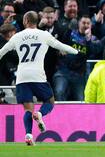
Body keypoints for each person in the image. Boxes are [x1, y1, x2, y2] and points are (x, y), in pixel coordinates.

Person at [0, 11, 78, 146]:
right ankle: (41, 114)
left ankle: (29, 135)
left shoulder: (17, 36)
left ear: (25, 21)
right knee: (50, 102)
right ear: (37, 21)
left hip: (22, 77)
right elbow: (61, 46)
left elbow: (2, 52)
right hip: (38, 76)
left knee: (28, 110)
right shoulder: (44, 35)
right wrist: (76, 51)